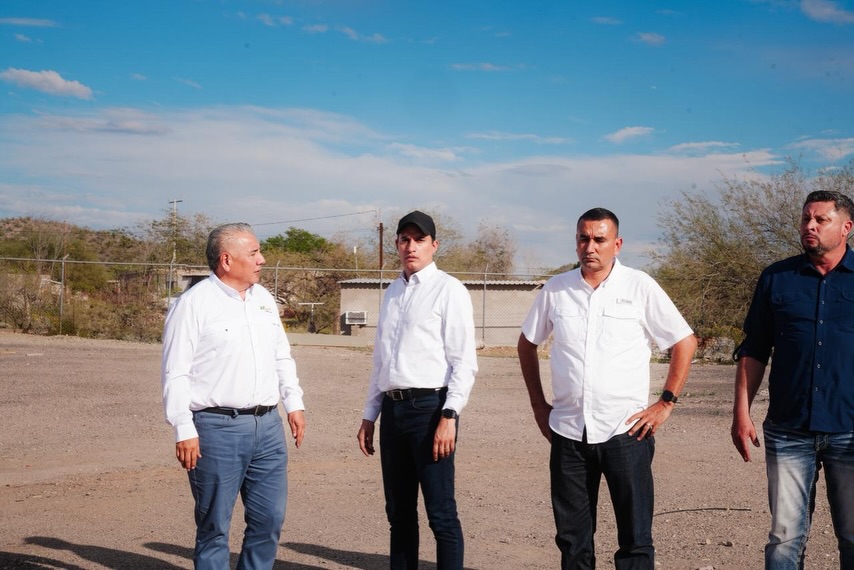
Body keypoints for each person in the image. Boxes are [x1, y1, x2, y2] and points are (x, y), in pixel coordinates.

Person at [517, 207, 697, 570]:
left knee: (635, 539)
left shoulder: (639, 286)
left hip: (626, 431)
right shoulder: (557, 289)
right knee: (573, 541)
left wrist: (666, 402)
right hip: (569, 432)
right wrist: (539, 405)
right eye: (583, 239)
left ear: (617, 244)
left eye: (599, 239)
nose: (590, 247)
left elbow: (684, 341)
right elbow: (526, 344)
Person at [161, 222, 306, 570]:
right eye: (254, 253)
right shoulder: (193, 304)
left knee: (269, 519)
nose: (262, 259)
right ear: (226, 260)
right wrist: (183, 427)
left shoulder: (263, 299)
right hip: (216, 430)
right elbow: (175, 371)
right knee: (214, 526)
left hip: (267, 427)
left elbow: (281, 356)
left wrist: (293, 403)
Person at [731, 190, 854, 569]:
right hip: (789, 429)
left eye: (821, 220)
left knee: (853, 535)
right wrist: (741, 413)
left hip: (850, 430)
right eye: (805, 219)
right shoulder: (777, 278)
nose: (809, 226)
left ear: (846, 227)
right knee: (785, 538)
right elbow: (754, 349)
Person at [357, 210, 478, 570]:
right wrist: (369, 415)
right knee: (399, 513)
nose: (411, 246)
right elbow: (381, 360)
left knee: (441, 513)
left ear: (434, 245)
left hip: (430, 409)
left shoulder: (449, 290)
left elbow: (464, 362)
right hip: (393, 410)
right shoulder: (393, 292)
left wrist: (449, 416)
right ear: (396, 244)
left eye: (419, 239)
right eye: (404, 239)